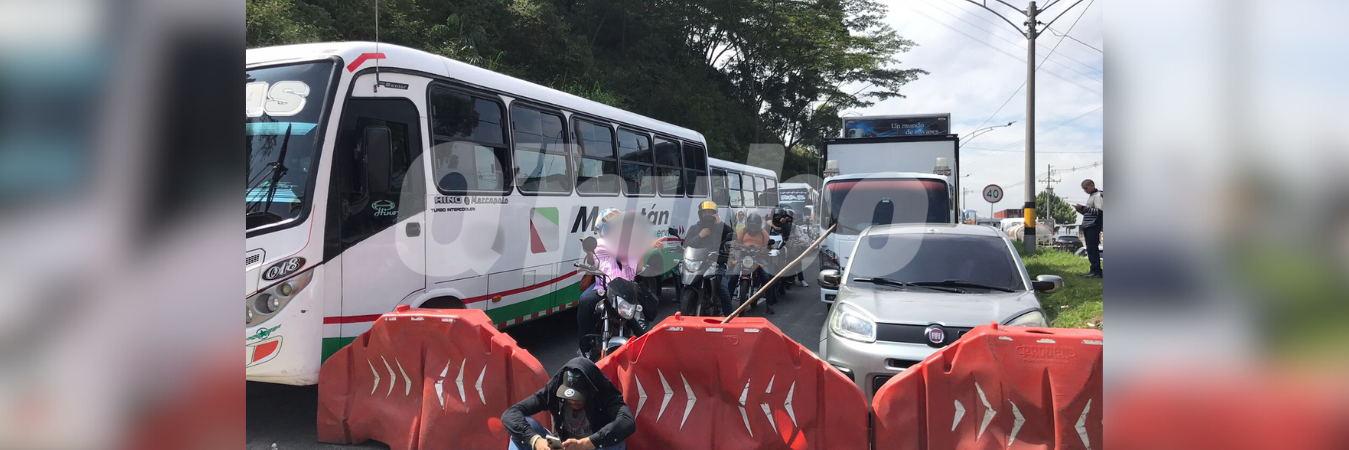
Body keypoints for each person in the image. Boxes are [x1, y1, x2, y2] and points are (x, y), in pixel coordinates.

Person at [502, 357, 635, 450]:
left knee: (615, 440)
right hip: (562, 446)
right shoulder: (554, 389)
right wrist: (536, 440)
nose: (572, 402)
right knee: (522, 430)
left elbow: (627, 421)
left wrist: (586, 443)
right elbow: (510, 414)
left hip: (593, 446)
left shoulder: (603, 393)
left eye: (578, 399)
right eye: (568, 398)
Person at [576, 212, 656, 355]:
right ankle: (586, 348)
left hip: (626, 291)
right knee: (585, 302)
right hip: (605, 289)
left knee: (641, 317)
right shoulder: (602, 244)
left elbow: (637, 268)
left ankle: (645, 347)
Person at [683, 201, 735, 314]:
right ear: (700, 214)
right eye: (705, 212)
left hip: (716, 265)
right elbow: (686, 245)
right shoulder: (694, 228)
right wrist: (700, 236)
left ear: (715, 214)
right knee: (683, 284)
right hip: (697, 265)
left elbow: (733, 235)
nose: (707, 215)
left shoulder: (719, 227)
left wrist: (720, 223)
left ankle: (730, 319)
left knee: (724, 291)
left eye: (710, 213)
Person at [735, 213, 778, 314]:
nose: (753, 228)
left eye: (755, 226)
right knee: (733, 274)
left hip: (759, 257)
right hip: (744, 257)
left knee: (767, 277)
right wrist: (739, 246)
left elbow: (769, 246)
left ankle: (769, 305)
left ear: (759, 225)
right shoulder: (743, 231)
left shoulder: (763, 233)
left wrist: (763, 249)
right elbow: (736, 242)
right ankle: (727, 303)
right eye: (751, 225)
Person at [1073, 179, 1104, 278]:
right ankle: (1093, 270)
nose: (1085, 190)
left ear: (1092, 185)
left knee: (1093, 248)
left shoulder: (1098, 195)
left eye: (1086, 188)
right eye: (1083, 189)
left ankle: (1096, 272)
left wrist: (1083, 208)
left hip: (1093, 225)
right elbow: (1089, 212)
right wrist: (1081, 210)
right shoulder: (1091, 196)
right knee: (1090, 249)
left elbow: (1099, 212)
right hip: (1088, 225)